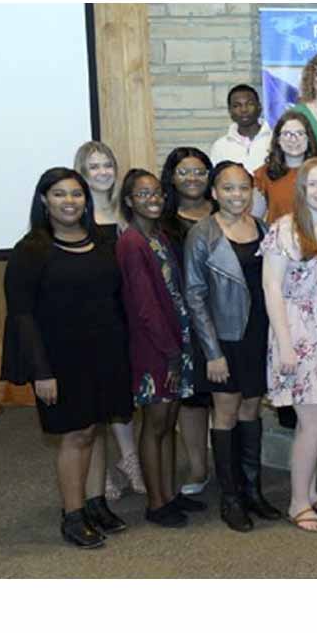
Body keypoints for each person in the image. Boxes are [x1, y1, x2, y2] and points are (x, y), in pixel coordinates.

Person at [1, 168, 132, 548]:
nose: (69, 202)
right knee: (76, 434)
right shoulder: (31, 250)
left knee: (97, 427)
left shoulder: (101, 241)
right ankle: (72, 516)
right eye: (59, 194)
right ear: (45, 200)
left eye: (76, 194)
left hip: (104, 353)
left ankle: (95, 504)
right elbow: (22, 315)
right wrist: (41, 371)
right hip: (59, 360)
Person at [184, 161, 283, 532]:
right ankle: (230, 498)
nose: (237, 195)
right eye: (228, 188)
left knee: (251, 410)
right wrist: (212, 353)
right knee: (225, 412)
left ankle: (251, 491)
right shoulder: (202, 234)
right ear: (214, 192)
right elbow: (195, 296)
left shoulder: (263, 228)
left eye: (243, 187)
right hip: (223, 338)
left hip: (257, 334)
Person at [261, 158, 317, 532]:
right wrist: (285, 345)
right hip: (298, 334)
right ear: (301, 189)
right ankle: (298, 502)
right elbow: (271, 288)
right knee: (316, 422)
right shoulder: (285, 229)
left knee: (314, 422)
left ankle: (310, 492)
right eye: (313, 184)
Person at [115, 169, 198, 528]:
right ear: (129, 200)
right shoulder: (131, 242)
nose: (153, 199)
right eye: (143, 194)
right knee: (155, 424)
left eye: (157, 193)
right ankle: (155, 502)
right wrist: (170, 353)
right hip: (155, 348)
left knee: (169, 423)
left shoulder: (158, 235)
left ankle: (168, 493)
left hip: (175, 341)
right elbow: (145, 307)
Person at [72, 140, 144, 501]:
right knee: (97, 396)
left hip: (127, 313)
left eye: (107, 165)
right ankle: (98, 475)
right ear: (83, 174)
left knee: (122, 393)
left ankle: (130, 461)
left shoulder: (126, 212)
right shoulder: (77, 217)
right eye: (94, 167)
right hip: (93, 317)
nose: (103, 173)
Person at [159, 147, 216, 501]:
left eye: (199, 171)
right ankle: (198, 465)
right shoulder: (163, 221)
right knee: (193, 399)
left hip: (226, 315)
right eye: (184, 172)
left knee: (228, 395)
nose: (192, 178)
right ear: (172, 177)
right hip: (185, 318)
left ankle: (231, 464)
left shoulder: (225, 209)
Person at [252, 111, 317, 224]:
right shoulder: (265, 174)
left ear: (309, 138)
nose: (293, 139)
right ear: (278, 139)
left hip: (315, 233)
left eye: (300, 133)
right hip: (278, 234)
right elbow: (254, 219)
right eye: (286, 134)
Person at [209, 84, 272, 176]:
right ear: (230, 110)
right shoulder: (220, 146)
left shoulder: (276, 140)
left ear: (259, 107)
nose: (244, 110)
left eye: (249, 104)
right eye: (236, 106)